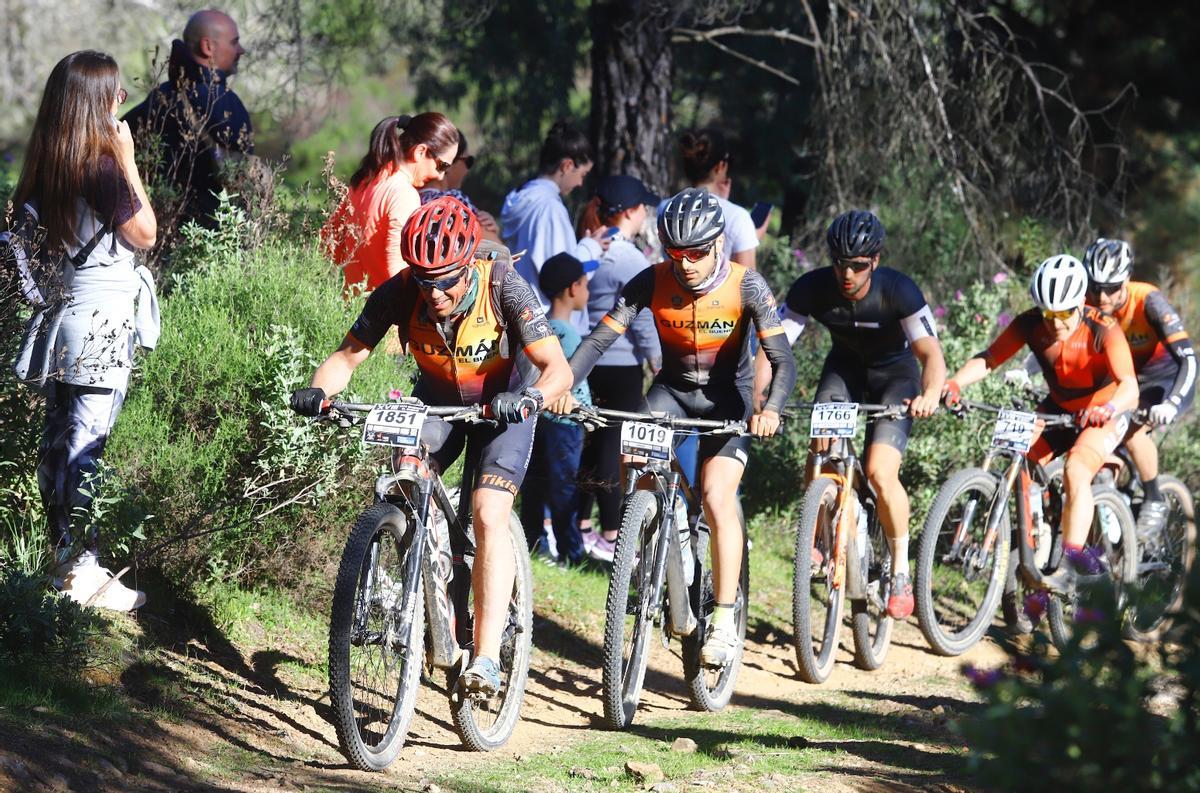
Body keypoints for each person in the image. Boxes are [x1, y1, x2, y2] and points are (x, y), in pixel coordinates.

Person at [290, 196, 572, 694]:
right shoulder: (401, 291)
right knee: (403, 482)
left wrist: (528, 399)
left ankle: (485, 656)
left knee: (488, 513)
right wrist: (319, 391)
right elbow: (348, 355)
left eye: (444, 279)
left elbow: (558, 370)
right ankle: (415, 594)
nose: (433, 291)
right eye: (424, 279)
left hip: (503, 406)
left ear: (468, 266)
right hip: (439, 403)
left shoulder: (504, 285)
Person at [556, 188, 796, 666]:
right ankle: (665, 539)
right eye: (674, 253)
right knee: (635, 457)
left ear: (719, 245)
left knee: (715, 495)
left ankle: (724, 621)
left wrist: (770, 408)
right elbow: (598, 341)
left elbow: (781, 358)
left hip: (730, 400)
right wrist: (563, 385)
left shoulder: (748, 285)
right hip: (672, 392)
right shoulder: (650, 280)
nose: (684, 263)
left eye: (696, 253)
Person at [13, 51, 158, 611]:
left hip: (65, 320)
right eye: (117, 93)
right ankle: (82, 573)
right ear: (98, 101)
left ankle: (63, 561)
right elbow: (144, 230)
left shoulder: (49, 161)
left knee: (61, 445)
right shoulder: (99, 165)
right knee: (86, 448)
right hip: (100, 325)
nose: (122, 102)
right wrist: (127, 156)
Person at [770, 210, 946, 619]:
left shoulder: (898, 289)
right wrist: (763, 397)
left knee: (882, 472)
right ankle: (818, 535)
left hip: (896, 378)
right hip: (845, 370)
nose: (846, 274)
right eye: (839, 263)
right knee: (820, 443)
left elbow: (929, 352)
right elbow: (775, 347)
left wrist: (932, 391)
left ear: (876, 261)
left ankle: (900, 568)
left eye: (858, 266)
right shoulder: (812, 287)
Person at [944, 254, 1139, 599]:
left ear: (1080, 301)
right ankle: (1034, 536)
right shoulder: (1031, 323)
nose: (1055, 323)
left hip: (1104, 409)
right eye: (1048, 314)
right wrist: (955, 383)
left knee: (1077, 470)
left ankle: (1069, 565)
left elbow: (1130, 387)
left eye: (1063, 313)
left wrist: (1106, 408)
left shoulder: (1103, 328)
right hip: (1060, 407)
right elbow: (990, 359)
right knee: (1017, 458)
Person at [573, 175, 663, 563]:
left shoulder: (596, 248)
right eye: (643, 207)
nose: (646, 214)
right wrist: (656, 359)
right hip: (622, 361)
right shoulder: (629, 258)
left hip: (590, 360)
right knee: (615, 448)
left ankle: (580, 526)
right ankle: (612, 533)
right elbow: (640, 320)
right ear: (630, 211)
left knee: (592, 446)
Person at [1082, 238, 1196, 537]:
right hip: (1121, 381)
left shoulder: (1148, 301)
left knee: (1131, 427)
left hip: (1162, 381)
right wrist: (1025, 370)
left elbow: (1188, 359)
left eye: (1111, 287)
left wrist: (1171, 403)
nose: (1102, 296)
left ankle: (1155, 499)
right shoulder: (1086, 301)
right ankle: (1109, 524)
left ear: (1127, 280)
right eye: (1096, 287)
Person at [123, 9, 251, 227]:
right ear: (207, 47)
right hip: (212, 237)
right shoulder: (227, 103)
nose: (241, 50)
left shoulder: (158, 97)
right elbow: (244, 178)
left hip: (155, 231)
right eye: (234, 42)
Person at [320, 113, 460, 295]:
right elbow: (398, 270)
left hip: (350, 311)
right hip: (384, 318)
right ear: (420, 152)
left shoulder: (363, 181)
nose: (441, 176)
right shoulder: (404, 194)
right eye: (442, 166)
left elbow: (328, 245)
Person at [518, 253, 598, 566]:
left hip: (540, 420)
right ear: (573, 288)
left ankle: (532, 543)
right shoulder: (569, 335)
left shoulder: (542, 328)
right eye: (586, 284)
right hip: (564, 422)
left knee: (536, 485)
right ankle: (572, 553)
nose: (588, 292)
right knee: (564, 487)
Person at [499, 120, 610, 309]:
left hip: (520, 313)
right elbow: (561, 277)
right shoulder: (549, 208)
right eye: (582, 174)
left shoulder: (521, 197)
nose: (580, 184)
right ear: (567, 165)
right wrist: (592, 247)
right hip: (545, 323)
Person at [669, 128, 761, 269]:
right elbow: (748, 284)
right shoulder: (738, 218)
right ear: (721, 166)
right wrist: (751, 237)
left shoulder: (665, 208)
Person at [418, 130, 501, 242]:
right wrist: (492, 232)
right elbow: (496, 253)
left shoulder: (411, 198)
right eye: (468, 161)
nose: (467, 169)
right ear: (448, 162)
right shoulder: (454, 201)